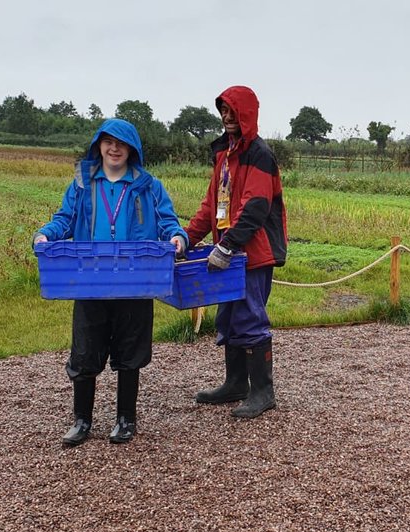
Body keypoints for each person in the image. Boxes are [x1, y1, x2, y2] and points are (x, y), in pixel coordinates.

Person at [34, 118, 188, 447]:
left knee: (131, 349)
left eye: (121, 143)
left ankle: (126, 419)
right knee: (86, 347)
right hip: (90, 279)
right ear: (98, 146)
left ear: (131, 148)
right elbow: (65, 218)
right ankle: (82, 420)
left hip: (136, 279)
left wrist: (178, 237)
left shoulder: (149, 185)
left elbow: (168, 222)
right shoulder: (82, 182)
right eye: (108, 142)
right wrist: (47, 233)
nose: (114, 148)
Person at [185, 85, 287, 419]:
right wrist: (185, 238)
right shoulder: (225, 155)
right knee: (228, 317)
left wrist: (228, 244)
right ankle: (235, 383)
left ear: (246, 113)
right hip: (228, 252)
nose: (227, 117)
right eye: (223, 111)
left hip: (252, 253)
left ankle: (263, 391)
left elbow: (255, 207)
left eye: (232, 111)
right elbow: (211, 205)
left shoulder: (259, 154)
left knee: (250, 317)